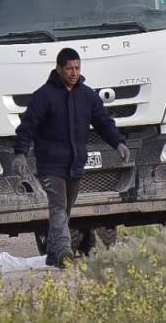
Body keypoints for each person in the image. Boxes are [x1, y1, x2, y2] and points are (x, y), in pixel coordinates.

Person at [12, 47, 130, 267]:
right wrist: (20, 154)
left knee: (64, 211)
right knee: (58, 207)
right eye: (69, 68)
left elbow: (104, 123)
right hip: (50, 164)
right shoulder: (43, 96)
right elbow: (27, 127)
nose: (74, 73)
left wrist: (119, 143)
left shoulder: (87, 96)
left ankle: (52, 256)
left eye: (77, 68)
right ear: (59, 69)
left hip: (75, 164)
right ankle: (66, 252)